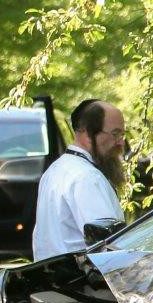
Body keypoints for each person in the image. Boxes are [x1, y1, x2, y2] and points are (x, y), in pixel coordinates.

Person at [32, 99, 127, 260]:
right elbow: (108, 248)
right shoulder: (88, 178)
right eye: (115, 134)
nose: (121, 142)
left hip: (51, 279)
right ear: (88, 133)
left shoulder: (55, 170)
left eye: (122, 134)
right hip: (82, 281)